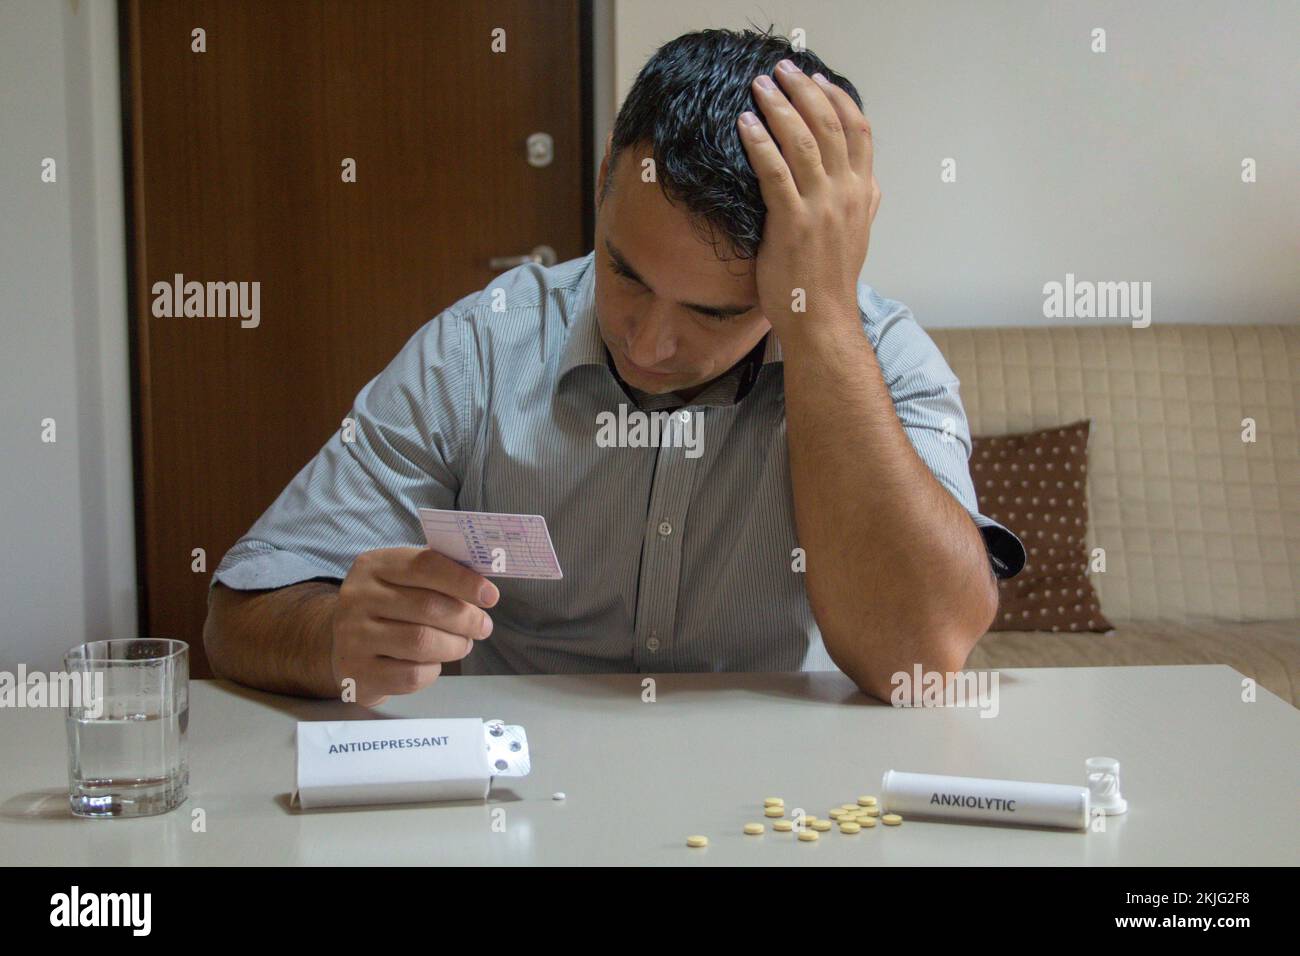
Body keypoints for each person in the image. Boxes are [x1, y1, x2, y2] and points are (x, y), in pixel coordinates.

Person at [204, 28, 1025, 706]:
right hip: (524, 795)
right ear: (603, 183)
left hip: (784, 801)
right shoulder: (481, 347)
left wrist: (825, 321)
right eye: (625, 272)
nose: (647, 344)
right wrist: (334, 636)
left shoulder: (875, 350)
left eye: (715, 311)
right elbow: (239, 612)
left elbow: (919, 661)